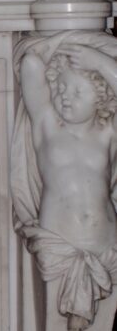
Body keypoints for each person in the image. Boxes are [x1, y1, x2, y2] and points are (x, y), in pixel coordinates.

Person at [14, 34, 117, 330]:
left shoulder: (107, 133)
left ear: (100, 96)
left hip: (105, 246)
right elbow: (30, 63)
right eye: (60, 87)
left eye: (76, 91)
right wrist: (67, 41)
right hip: (57, 245)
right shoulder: (46, 125)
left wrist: (99, 61)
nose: (64, 96)